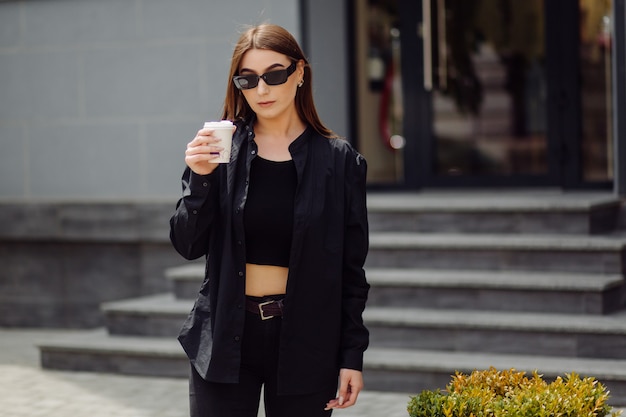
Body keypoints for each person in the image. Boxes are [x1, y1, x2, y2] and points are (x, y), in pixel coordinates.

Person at [169, 23, 370, 417]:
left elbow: (351, 270)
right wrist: (200, 179)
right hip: (227, 332)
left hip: (307, 340)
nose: (261, 90)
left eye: (274, 75)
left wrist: (352, 355)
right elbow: (187, 245)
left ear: (298, 73)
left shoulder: (339, 161)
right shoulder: (220, 151)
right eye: (248, 79)